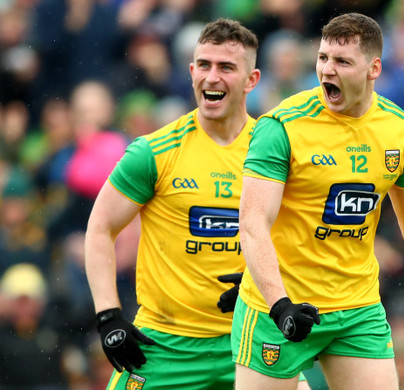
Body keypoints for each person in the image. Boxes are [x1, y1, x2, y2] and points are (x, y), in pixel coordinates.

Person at [233, 12, 404, 390]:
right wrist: (279, 304)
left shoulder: (400, 131)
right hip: (279, 307)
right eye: (323, 58)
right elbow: (253, 223)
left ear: (374, 68)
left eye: (342, 62)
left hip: (357, 308)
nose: (327, 70)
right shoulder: (281, 127)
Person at [84, 18, 310, 390]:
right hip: (165, 346)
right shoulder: (154, 152)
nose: (212, 77)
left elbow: (303, 237)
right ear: (191, 72)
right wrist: (108, 316)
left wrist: (265, 282)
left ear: (252, 80)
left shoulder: (277, 152)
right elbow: (99, 229)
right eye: (204, 65)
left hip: (249, 339)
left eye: (226, 67)